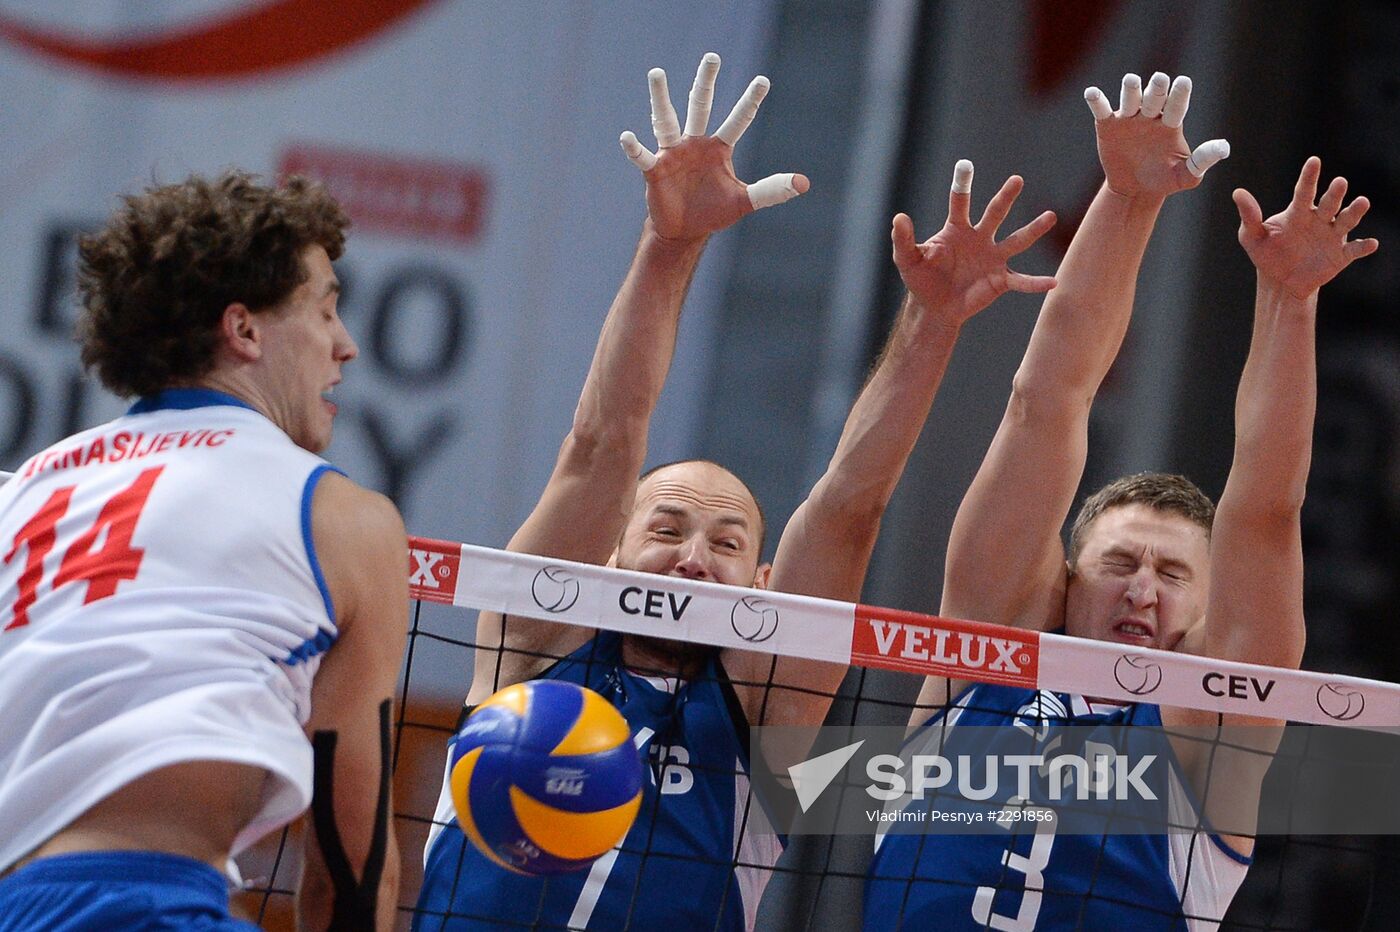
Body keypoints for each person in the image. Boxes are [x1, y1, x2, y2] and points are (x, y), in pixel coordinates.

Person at [413, 52, 1058, 931]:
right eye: (667, 528)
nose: (689, 558)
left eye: (724, 545)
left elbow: (848, 506)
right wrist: (671, 245)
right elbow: (602, 448)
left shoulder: (766, 715)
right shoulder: (529, 645)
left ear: (760, 587)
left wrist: (931, 323)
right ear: (611, 556)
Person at [864, 72, 1379, 929]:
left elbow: (1266, 510)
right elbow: (1047, 401)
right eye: (1119, 563)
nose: (1142, 589)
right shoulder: (981, 657)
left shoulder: (1206, 733)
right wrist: (1127, 198)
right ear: (1063, 582)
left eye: (1173, 573)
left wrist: (1290, 301)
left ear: (1209, 610)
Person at [0, 171, 409, 931]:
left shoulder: (23, 492)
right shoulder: (342, 517)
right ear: (245, 331)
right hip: (144, 906)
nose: (346, 346)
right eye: (325, 310)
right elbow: (351, 874)